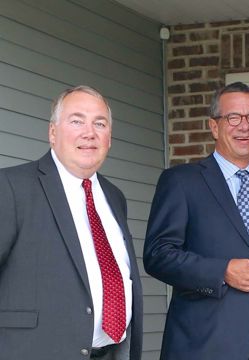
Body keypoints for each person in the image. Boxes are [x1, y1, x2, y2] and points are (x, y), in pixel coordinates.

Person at [144, 82, 249, 360]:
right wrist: (222, 271)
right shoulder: (181, 182)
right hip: (202, 345)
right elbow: (157, 255)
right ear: (214, 127)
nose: (244, 126)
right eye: (233, 117)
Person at [0, 86, 143, 360]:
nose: (89, 133)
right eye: (76, 121)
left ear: (109, 138)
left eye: (99, 123)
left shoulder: (114, 197)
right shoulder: (11, 187)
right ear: (53, 132)